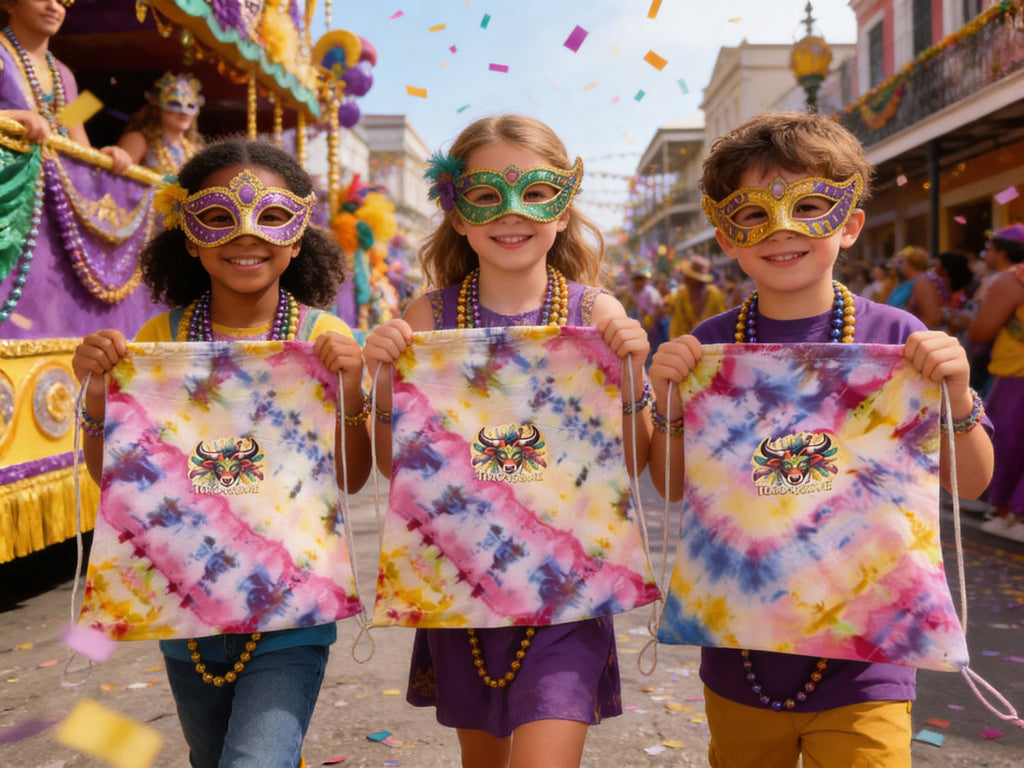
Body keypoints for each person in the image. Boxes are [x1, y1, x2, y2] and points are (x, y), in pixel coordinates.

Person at [648, 111, 994, 768]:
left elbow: (971, 483)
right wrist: (668, 403)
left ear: (850, 223)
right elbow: (669, 484)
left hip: (871, 663)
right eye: (753, 216)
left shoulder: (897, 339)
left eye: (809, 206)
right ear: (726, 235)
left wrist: (956, 395)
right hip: (741, 662)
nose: (781, 230)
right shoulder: (708, 351)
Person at [70, 138, 372, 768]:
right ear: (187, 236)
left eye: (270, 217)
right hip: (187, 618)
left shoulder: (325, 338)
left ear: (296, 239)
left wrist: (348, 390)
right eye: (217, 217)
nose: (246, 234)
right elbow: (120, 482)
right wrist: (99, 396)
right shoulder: (158, 341)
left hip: (293, 614)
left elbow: (352, 473)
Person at [362, 114, 651, 768]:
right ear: (457, 213)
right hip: (464, 591)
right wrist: (382, 386)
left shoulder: (597, 315)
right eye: (488, 195)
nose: (512, 213)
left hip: (567, 593)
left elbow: (635, 462)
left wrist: (633, 377)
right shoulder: (425, 319)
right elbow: (397, 467)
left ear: (563, 208)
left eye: (535, 192)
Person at [0, 0, 130, 172]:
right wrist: (11, 116)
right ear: (10, 4)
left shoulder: (65, 74)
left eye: (62, 1)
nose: (54, 7)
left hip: (51, 190)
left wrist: (102, 158)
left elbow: (77, 144)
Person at [969, 224, 1024, 541]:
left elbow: (980, 331)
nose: (986, 254)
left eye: (990, 248)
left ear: (1002, 251)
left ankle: (1009, 512)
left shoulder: (1014, 279)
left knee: (1007, 442)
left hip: (1016, 375)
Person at [117, 71, 204, 175]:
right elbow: (119, 181)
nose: (184, 111)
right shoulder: (138, 140)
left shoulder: (196, 151)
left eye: (190, 105)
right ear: (158, 108)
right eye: (175, 103)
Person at [666, 253, 725, 338]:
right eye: (689, 279)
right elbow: (676, 328)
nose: (692, 283)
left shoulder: (715, 295)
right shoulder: (681, 296)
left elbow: (721, 325)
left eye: (697, 281)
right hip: (684, 346)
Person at [886, 245, 946, 328]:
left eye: (902, 262)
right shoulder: (905, 282)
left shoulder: (923, 283)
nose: (899, 266)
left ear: (911, 264)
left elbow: (933, 319)